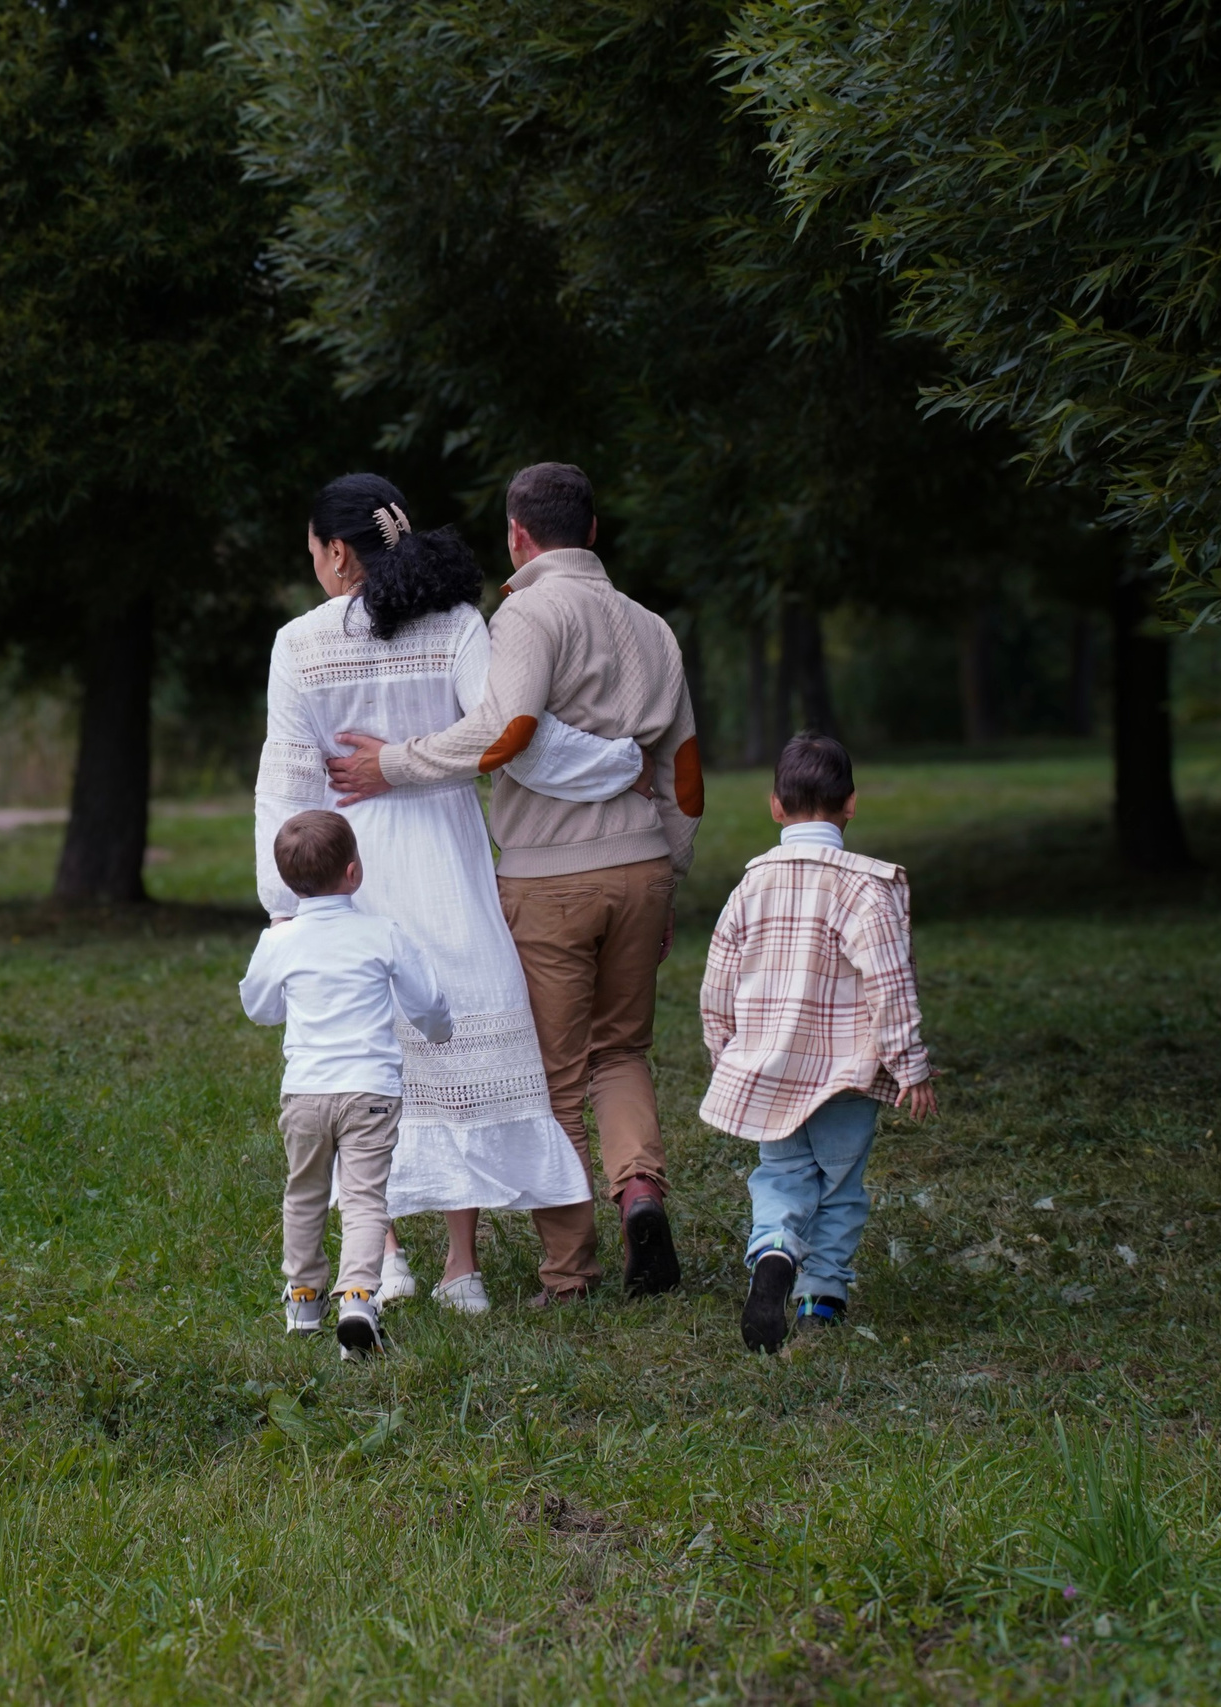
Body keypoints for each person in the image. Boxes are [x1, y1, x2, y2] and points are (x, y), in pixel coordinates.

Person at [255, 473, 649, 1315]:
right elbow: (516, 738)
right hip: (446, 851)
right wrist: (621, 762)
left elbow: (284, 784)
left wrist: (283, 900)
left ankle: (386, 1254)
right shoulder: (458, 624)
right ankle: (461, 1265)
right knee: (456, 1030)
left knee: (372, 1046)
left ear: (333, 552)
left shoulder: (299, 644)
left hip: (349, 865)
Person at [698, 733, 937, 1354]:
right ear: (851, 804)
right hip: (845, 1076)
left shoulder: (750, 888)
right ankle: (820, 1295)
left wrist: (724, 1051)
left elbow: (718, 978)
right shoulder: (865, 889)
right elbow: (889, 981)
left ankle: (774, 1249)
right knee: (839, 1183)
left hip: (769, 1067)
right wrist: (911, 1067)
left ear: (775, 806)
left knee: (781, 1173)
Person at [239, 811, 456, 1357]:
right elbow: (427, 1005)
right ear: (354, 872)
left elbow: (260, 1009)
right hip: (370, 1093)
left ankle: (304, 1296)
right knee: (364, 1199)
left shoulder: (281, 942)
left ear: (288, 882)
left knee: (305, 1193)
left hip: (306, 1094)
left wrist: (276, 953)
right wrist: (441, 1031)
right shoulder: (381, 933)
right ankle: (359, 1295)